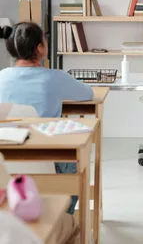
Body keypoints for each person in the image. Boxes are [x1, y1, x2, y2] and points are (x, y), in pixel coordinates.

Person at [0, 22, 93, 216]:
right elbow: (87, 94)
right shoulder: (54, 77)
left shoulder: (2, 77)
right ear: (40, 48)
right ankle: (63, 218)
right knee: (77, 161)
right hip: (48, 157)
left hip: (7, 158)